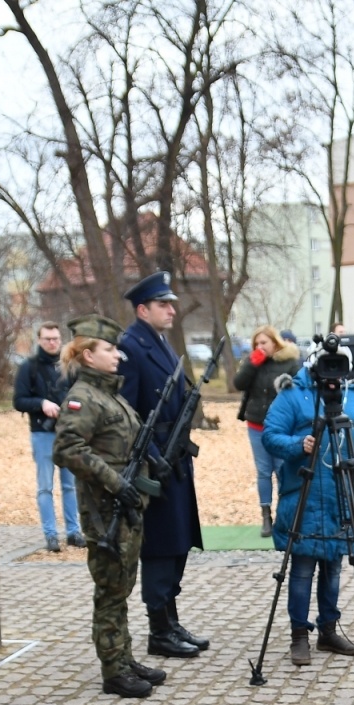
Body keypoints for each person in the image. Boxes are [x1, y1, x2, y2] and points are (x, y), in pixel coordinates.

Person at [51, 327, 168, 699]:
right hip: (105, 509)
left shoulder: (108, 394)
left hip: (125, 505)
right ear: (89, 355)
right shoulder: (83, 398)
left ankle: (124, 658)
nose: (117, 355)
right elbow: (67, 449)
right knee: (110, 590)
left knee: (122, 586)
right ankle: (113, 671)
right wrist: (115, 481)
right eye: (109, 349)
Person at [117, 271, 209, 657]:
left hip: (175, 457)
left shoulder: (159, 341)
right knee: (159, 546)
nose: (171, 310)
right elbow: (127, 413)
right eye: (163, 304)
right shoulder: (130, 347)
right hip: (155, 461)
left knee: (178, 542)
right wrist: (153, 456)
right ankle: (159, 631)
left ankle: (171, 621)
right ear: (143, 310)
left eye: (171, 304)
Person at [262, 356, 354, 665]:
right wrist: (299, 444)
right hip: (305, 495)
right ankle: (299, 635)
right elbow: (270, 436)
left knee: (333, 568)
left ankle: (328, 630)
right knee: (302, 570)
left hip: (341, 497)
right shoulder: (292, 394)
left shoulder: (351, 396)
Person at [13, 321, 84, 552]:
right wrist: (42, 403)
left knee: (70, 485)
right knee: (45, 487)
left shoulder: (70, 366)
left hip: (67, 432)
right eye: (47, 339)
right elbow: (19, 401)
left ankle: (73, 532)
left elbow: (81, 395)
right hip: (42, 433)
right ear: (39, 340)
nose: (52, 343)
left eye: (55, 339)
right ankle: (51, 535)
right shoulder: (29, 367)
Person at [234, 326, 301, 535]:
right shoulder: (253, 362)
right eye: (256, 343)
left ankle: (284, 513)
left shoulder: (289, 362)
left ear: (275, 343)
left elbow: (298, 390)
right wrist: (251, 364)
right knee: (263, 471)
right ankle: (265, 515)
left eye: (264, 342)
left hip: (281, 425)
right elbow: (238, 384)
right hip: (256, 423)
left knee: (281, 468)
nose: (260, 347)